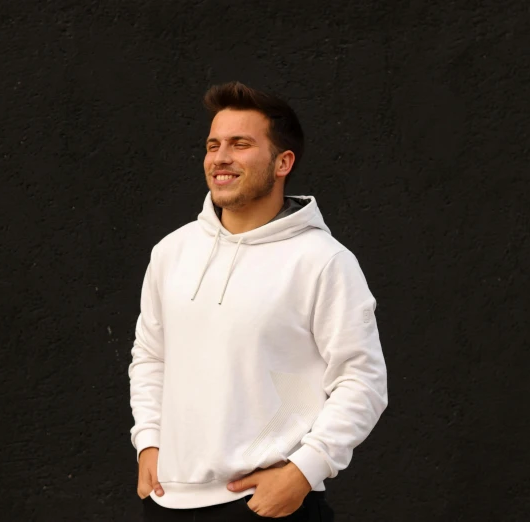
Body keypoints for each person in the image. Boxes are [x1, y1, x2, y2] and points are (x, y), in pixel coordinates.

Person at [128, 81, 388, 521]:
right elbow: (151, 357)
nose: (220, 157)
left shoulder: (322, 261)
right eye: (213, 145)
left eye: (240, 143)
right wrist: (148, 440)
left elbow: (362, 381)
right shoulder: (172, 252)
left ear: (283, 161)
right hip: (166, 501)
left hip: (266, 508)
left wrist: (304, 471)